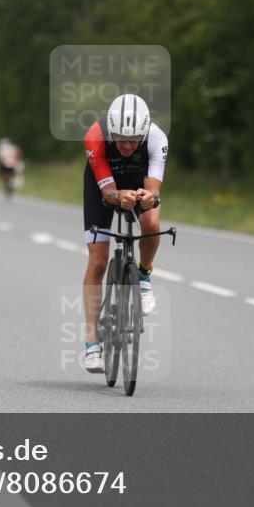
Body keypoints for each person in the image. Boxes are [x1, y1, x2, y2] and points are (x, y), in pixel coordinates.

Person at [81, 94, 168, 373]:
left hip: (138, 183)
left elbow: (154, 191)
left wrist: (146, 197)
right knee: (97, 262)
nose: (128, 146)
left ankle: (143, 277)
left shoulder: (157, 138)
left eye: (134, 140)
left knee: (152, 223)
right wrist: (119, 196)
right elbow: (107, 194)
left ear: (143, 134)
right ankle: (91, 343)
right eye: (121, 140)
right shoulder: (95, 136)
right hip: (102, 188)